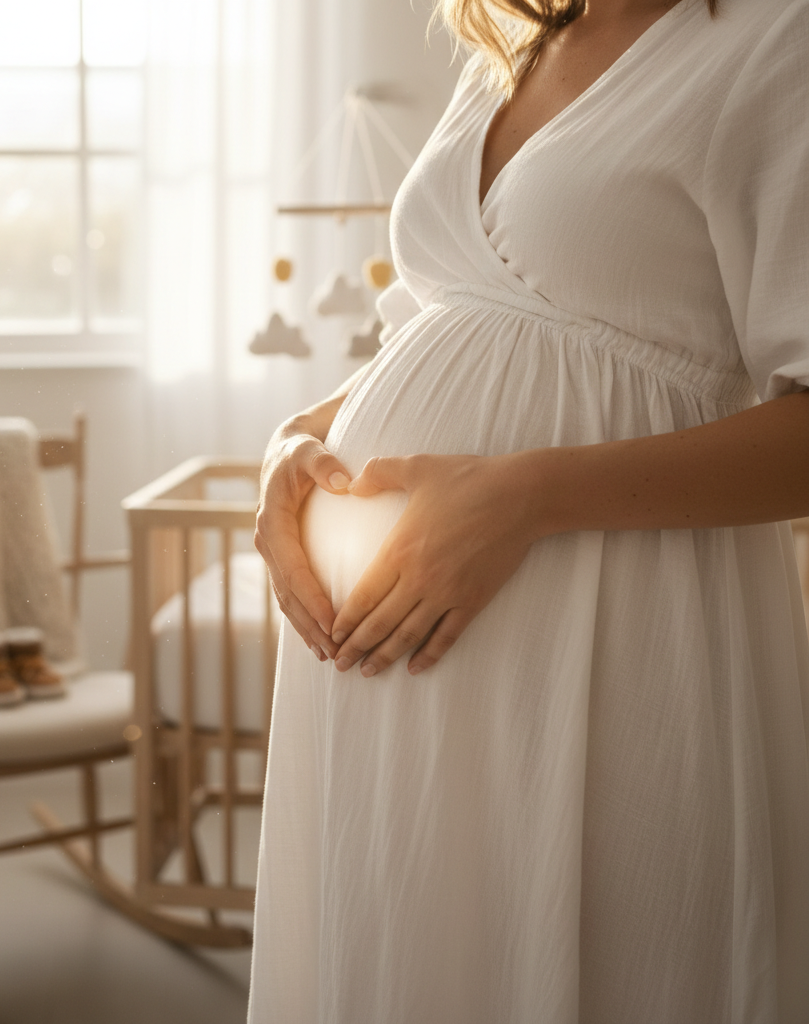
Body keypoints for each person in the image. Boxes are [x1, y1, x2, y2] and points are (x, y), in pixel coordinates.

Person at [246, 0, 809, 1021]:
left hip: (613, 634)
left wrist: (526, 497)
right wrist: (294, 443)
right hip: (380, 671)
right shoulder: (512, 49)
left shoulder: (777, 41)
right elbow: (436, 323)